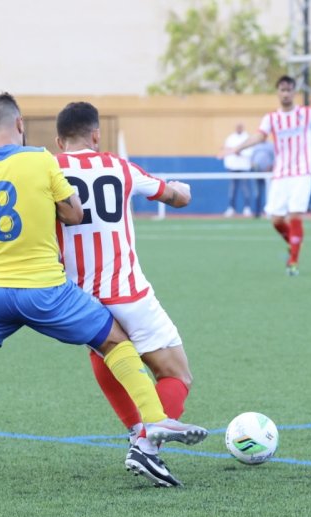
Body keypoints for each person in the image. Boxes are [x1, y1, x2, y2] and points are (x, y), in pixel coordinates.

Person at [0, 93, 207, 491]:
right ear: (21, 124)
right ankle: (153, 422)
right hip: (47, 289)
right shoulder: (40, 160)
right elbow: (74, 213)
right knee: (115, 342)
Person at [55, 102, 199, 461]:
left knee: (103, 351)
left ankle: (136, 429)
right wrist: (181, 188)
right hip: (127, 291)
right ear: (96, 134)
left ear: (59, 141)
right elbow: (176, 197)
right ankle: (146, 444)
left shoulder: (48, 169)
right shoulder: (118, 167)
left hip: (78, 296)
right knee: (177, 374)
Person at [221, 75, 311, 276]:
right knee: (276, 219)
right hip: (280, 174)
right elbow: (258, 136)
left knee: (295, 213)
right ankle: (293, 243)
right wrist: (236, 148)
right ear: (278, 92)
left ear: (294, 93)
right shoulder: (271, 118)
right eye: (282, 89)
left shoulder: (307, 114)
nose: (286, 93)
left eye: (289, 90)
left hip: (302, 172)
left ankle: (293, 261)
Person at [219, 122, 255, 217]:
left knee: (245, 188)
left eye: (240, 127)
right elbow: (226, 151)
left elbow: (251, 151)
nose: (238, 128)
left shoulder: (247, 137)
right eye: (237, 127)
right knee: (232, 188)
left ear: (242, 128)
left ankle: (247, 208)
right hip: (233, 167)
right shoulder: (230, 138)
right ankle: (231, 208)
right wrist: (228, 163)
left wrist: (241, 153)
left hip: (244, 167)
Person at [249, 141, 275, 218]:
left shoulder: (271, 146)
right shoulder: (256, 146)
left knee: (270, 192)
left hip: (268, 172)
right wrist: (254, 165)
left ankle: (270, 211)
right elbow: (252, 159)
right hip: (257, 172)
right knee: (257, 192)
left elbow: (275, 157)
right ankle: (257, 212)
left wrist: (270, 167)